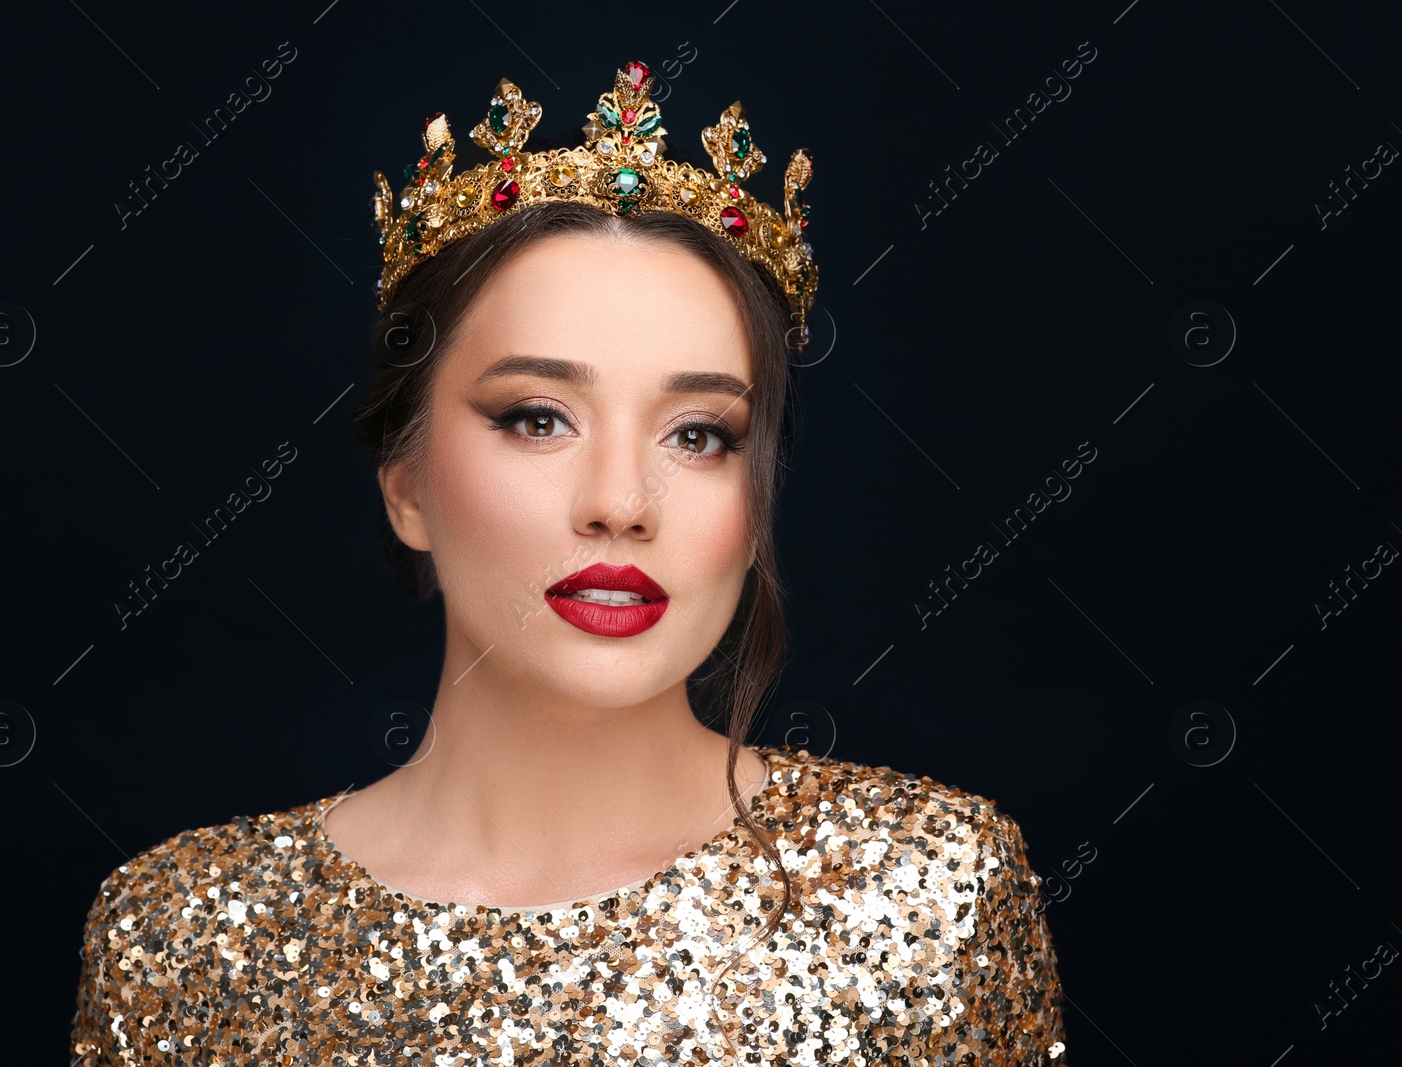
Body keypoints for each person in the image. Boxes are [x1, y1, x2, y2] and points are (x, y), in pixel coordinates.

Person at [69, 60, 1069, 1065]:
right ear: (406, 483)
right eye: (537, 418)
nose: (621, 504)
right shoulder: (191, 938)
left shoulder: (926, 891)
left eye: (699, 434)